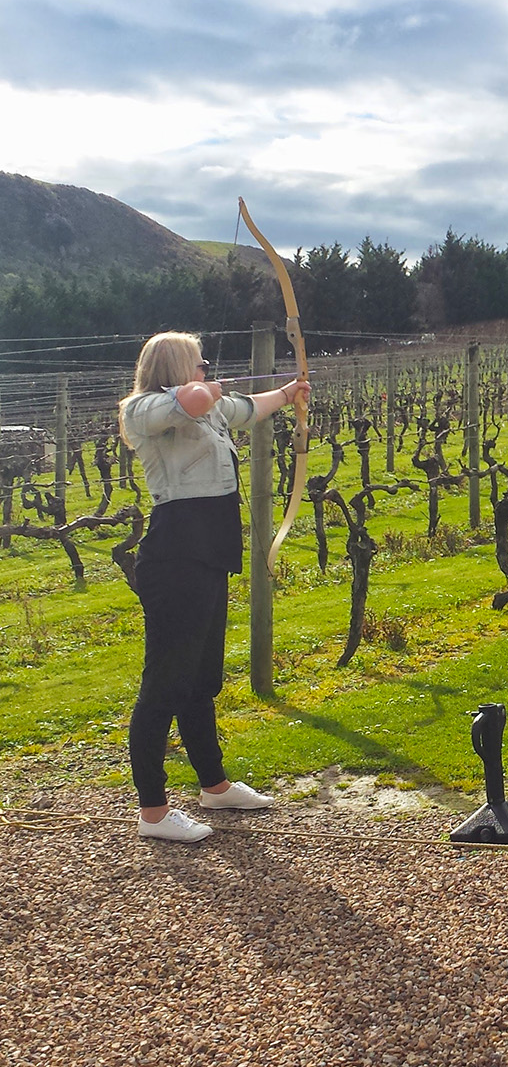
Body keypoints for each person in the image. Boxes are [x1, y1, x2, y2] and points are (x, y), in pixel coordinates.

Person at [118, 332, 310, 843]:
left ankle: (214, 785)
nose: (207, 369)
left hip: (207, 559)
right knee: (164, 685)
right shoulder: (144, 410)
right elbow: (198, 396)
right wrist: (206, 385)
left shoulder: (209, 408)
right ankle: (153, 811)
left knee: (201, 680)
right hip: (174, 561)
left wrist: (291, 392)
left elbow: (249, 407)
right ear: (178, 367)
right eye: (200, 362)